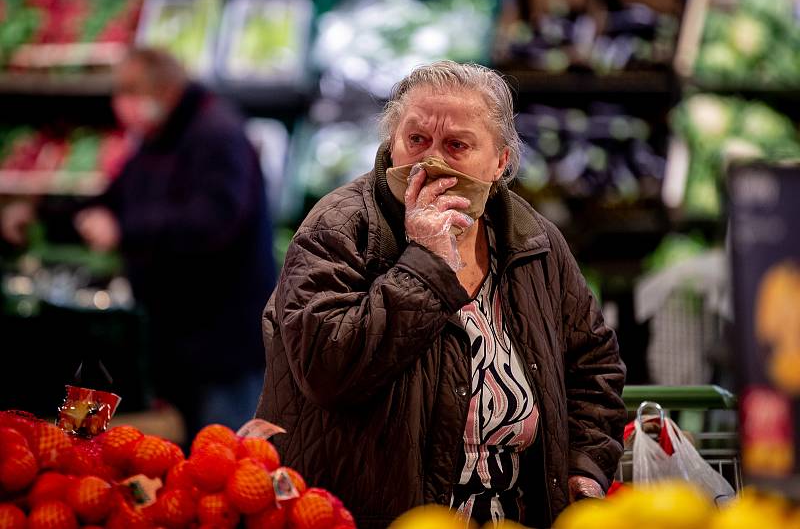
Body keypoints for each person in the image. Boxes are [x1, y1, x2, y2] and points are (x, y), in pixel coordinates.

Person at [256, 60, 626, 528]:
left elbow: (594, 363)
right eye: (416, 140)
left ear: (500, 162)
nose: (431, 161)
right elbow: (326, 369)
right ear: (392, 143)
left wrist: (585, 466)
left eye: (456, 146)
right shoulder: (340, 227)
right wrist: (426, 263)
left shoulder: (534, 241)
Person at [1, 47, 276, 438]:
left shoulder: (217, 134)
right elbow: (115, 199)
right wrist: (41, 212)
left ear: (163, 92)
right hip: (176, 335)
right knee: (180, 449)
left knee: (226, 454)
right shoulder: (158, 139)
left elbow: (215, 221)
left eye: (131, 92)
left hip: (222, 341)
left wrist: (125, 230)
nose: (122, 104)